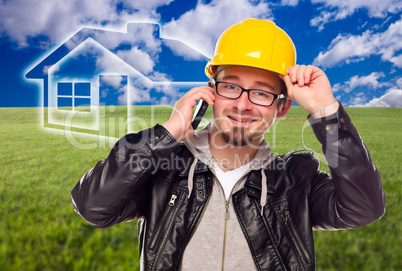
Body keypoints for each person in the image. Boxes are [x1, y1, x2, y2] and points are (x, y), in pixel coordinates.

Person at [71, 18, 385, 270]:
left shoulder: (295, 181)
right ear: (212, 91)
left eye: (261, 93)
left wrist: (325, 112)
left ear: (282, 107)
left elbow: (363, 209)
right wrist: (165, 134)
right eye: (231, 86)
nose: (242, 104)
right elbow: (92, 207)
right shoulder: (164, 169)